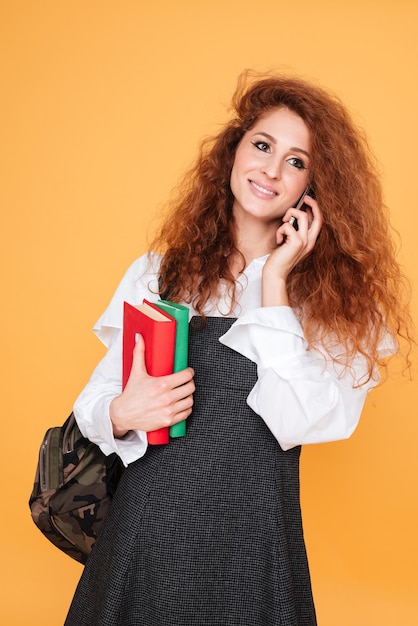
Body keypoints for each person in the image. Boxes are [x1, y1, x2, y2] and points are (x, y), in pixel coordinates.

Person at [65, 72, 412, 626]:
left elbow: (299, 421)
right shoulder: (158, 273)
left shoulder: (338, 305)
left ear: (314, 186)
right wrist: (121, 411)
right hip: (151, 530)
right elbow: (98, 396)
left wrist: (275, 284)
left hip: (254, 544)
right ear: (234, 150)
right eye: (262, 145)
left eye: (297, 161)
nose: (272, 171)